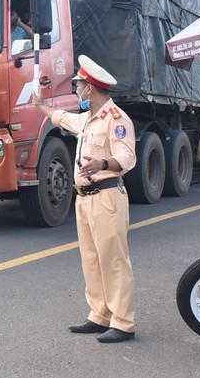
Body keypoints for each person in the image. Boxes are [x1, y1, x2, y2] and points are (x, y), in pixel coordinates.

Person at [31, 55, 137, 343]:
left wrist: (102, 165)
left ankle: (123, 322)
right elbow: (62, 118)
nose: (76, 88)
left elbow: (127, 156)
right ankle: (99, 315)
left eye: (78, 84)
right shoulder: (90, 119)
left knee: (113, 260)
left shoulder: (116, 119)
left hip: (106, 196)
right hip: (85, 199)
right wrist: (40, 104)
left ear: (90, 88)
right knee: (91, 258)